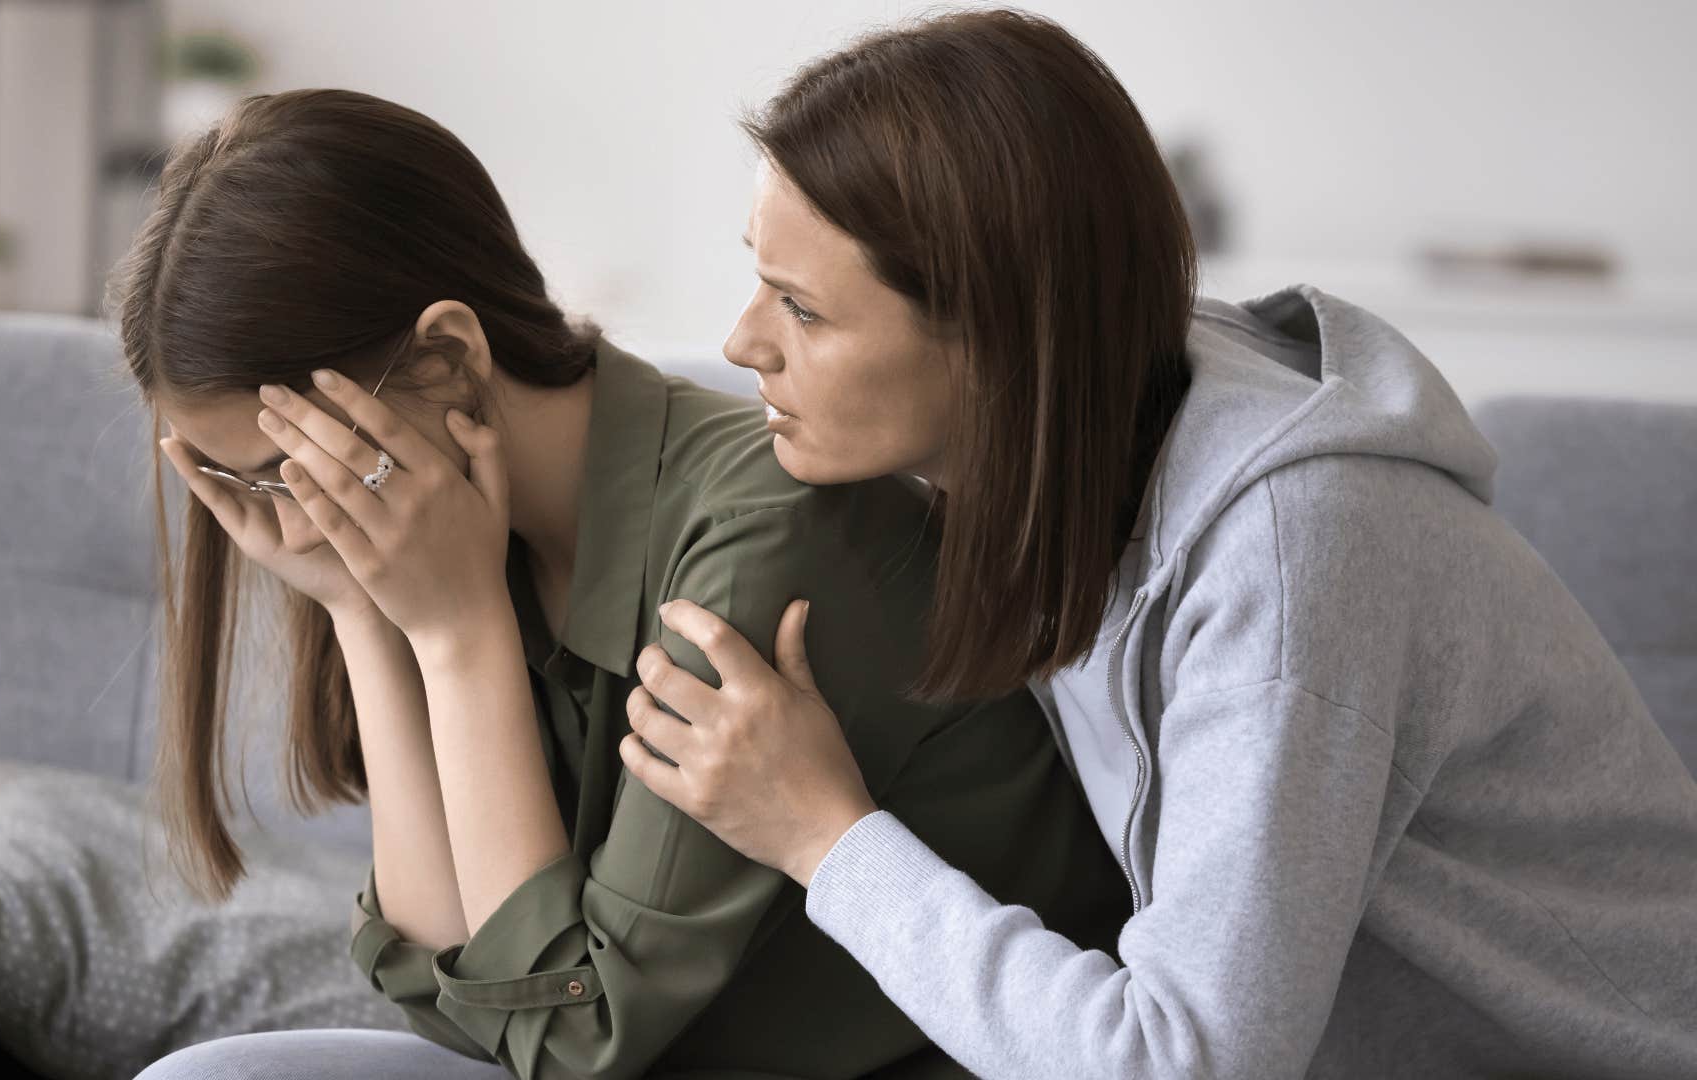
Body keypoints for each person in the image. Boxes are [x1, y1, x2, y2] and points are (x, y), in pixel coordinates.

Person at [617, 9, 1697, 1078]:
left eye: (802, 309)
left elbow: (1181, 1066)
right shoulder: (1076, 436)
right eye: (760, 276)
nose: (743, 340)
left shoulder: (1293, 549)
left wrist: (822, 835)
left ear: (996, 336)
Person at [113, 87, 1130, 1080]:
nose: (289, 520)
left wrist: (460, 634)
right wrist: (356, 608)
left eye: (291, 469)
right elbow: (456, 1003)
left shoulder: (763, 538)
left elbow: (567, 1043)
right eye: (247, 488)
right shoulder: (462, 537)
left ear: (449, 358)